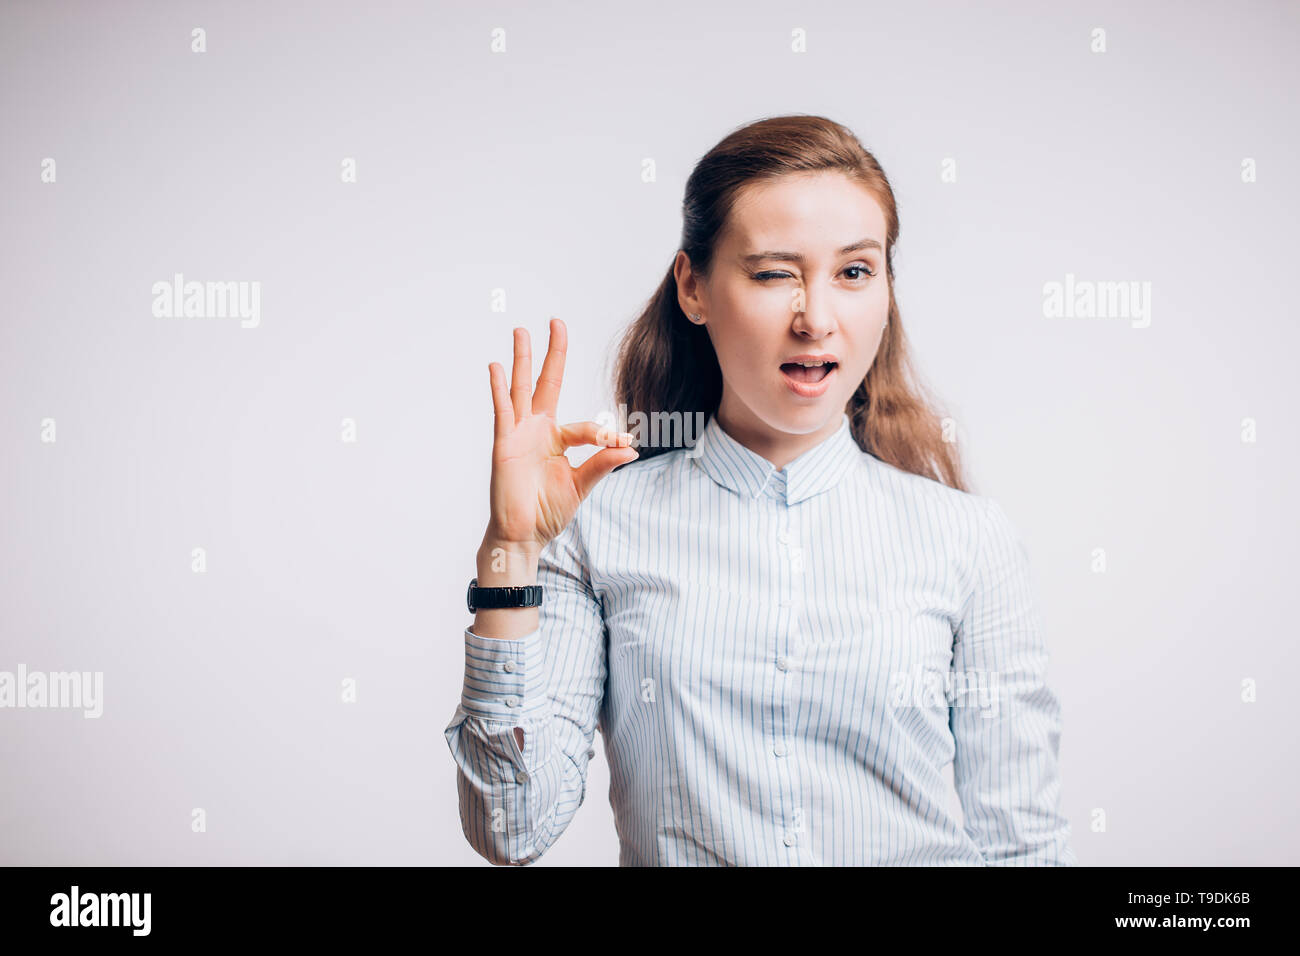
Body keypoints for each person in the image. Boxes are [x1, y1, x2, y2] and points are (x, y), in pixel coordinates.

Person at [444, 114, 1078, 866]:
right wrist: (510, 554)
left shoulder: (970, 539)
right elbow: (511, 827)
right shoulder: (600, 524)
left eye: (853, 272)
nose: (816, 320)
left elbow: (1023, 846)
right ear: (694, 289)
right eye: (775, 273)